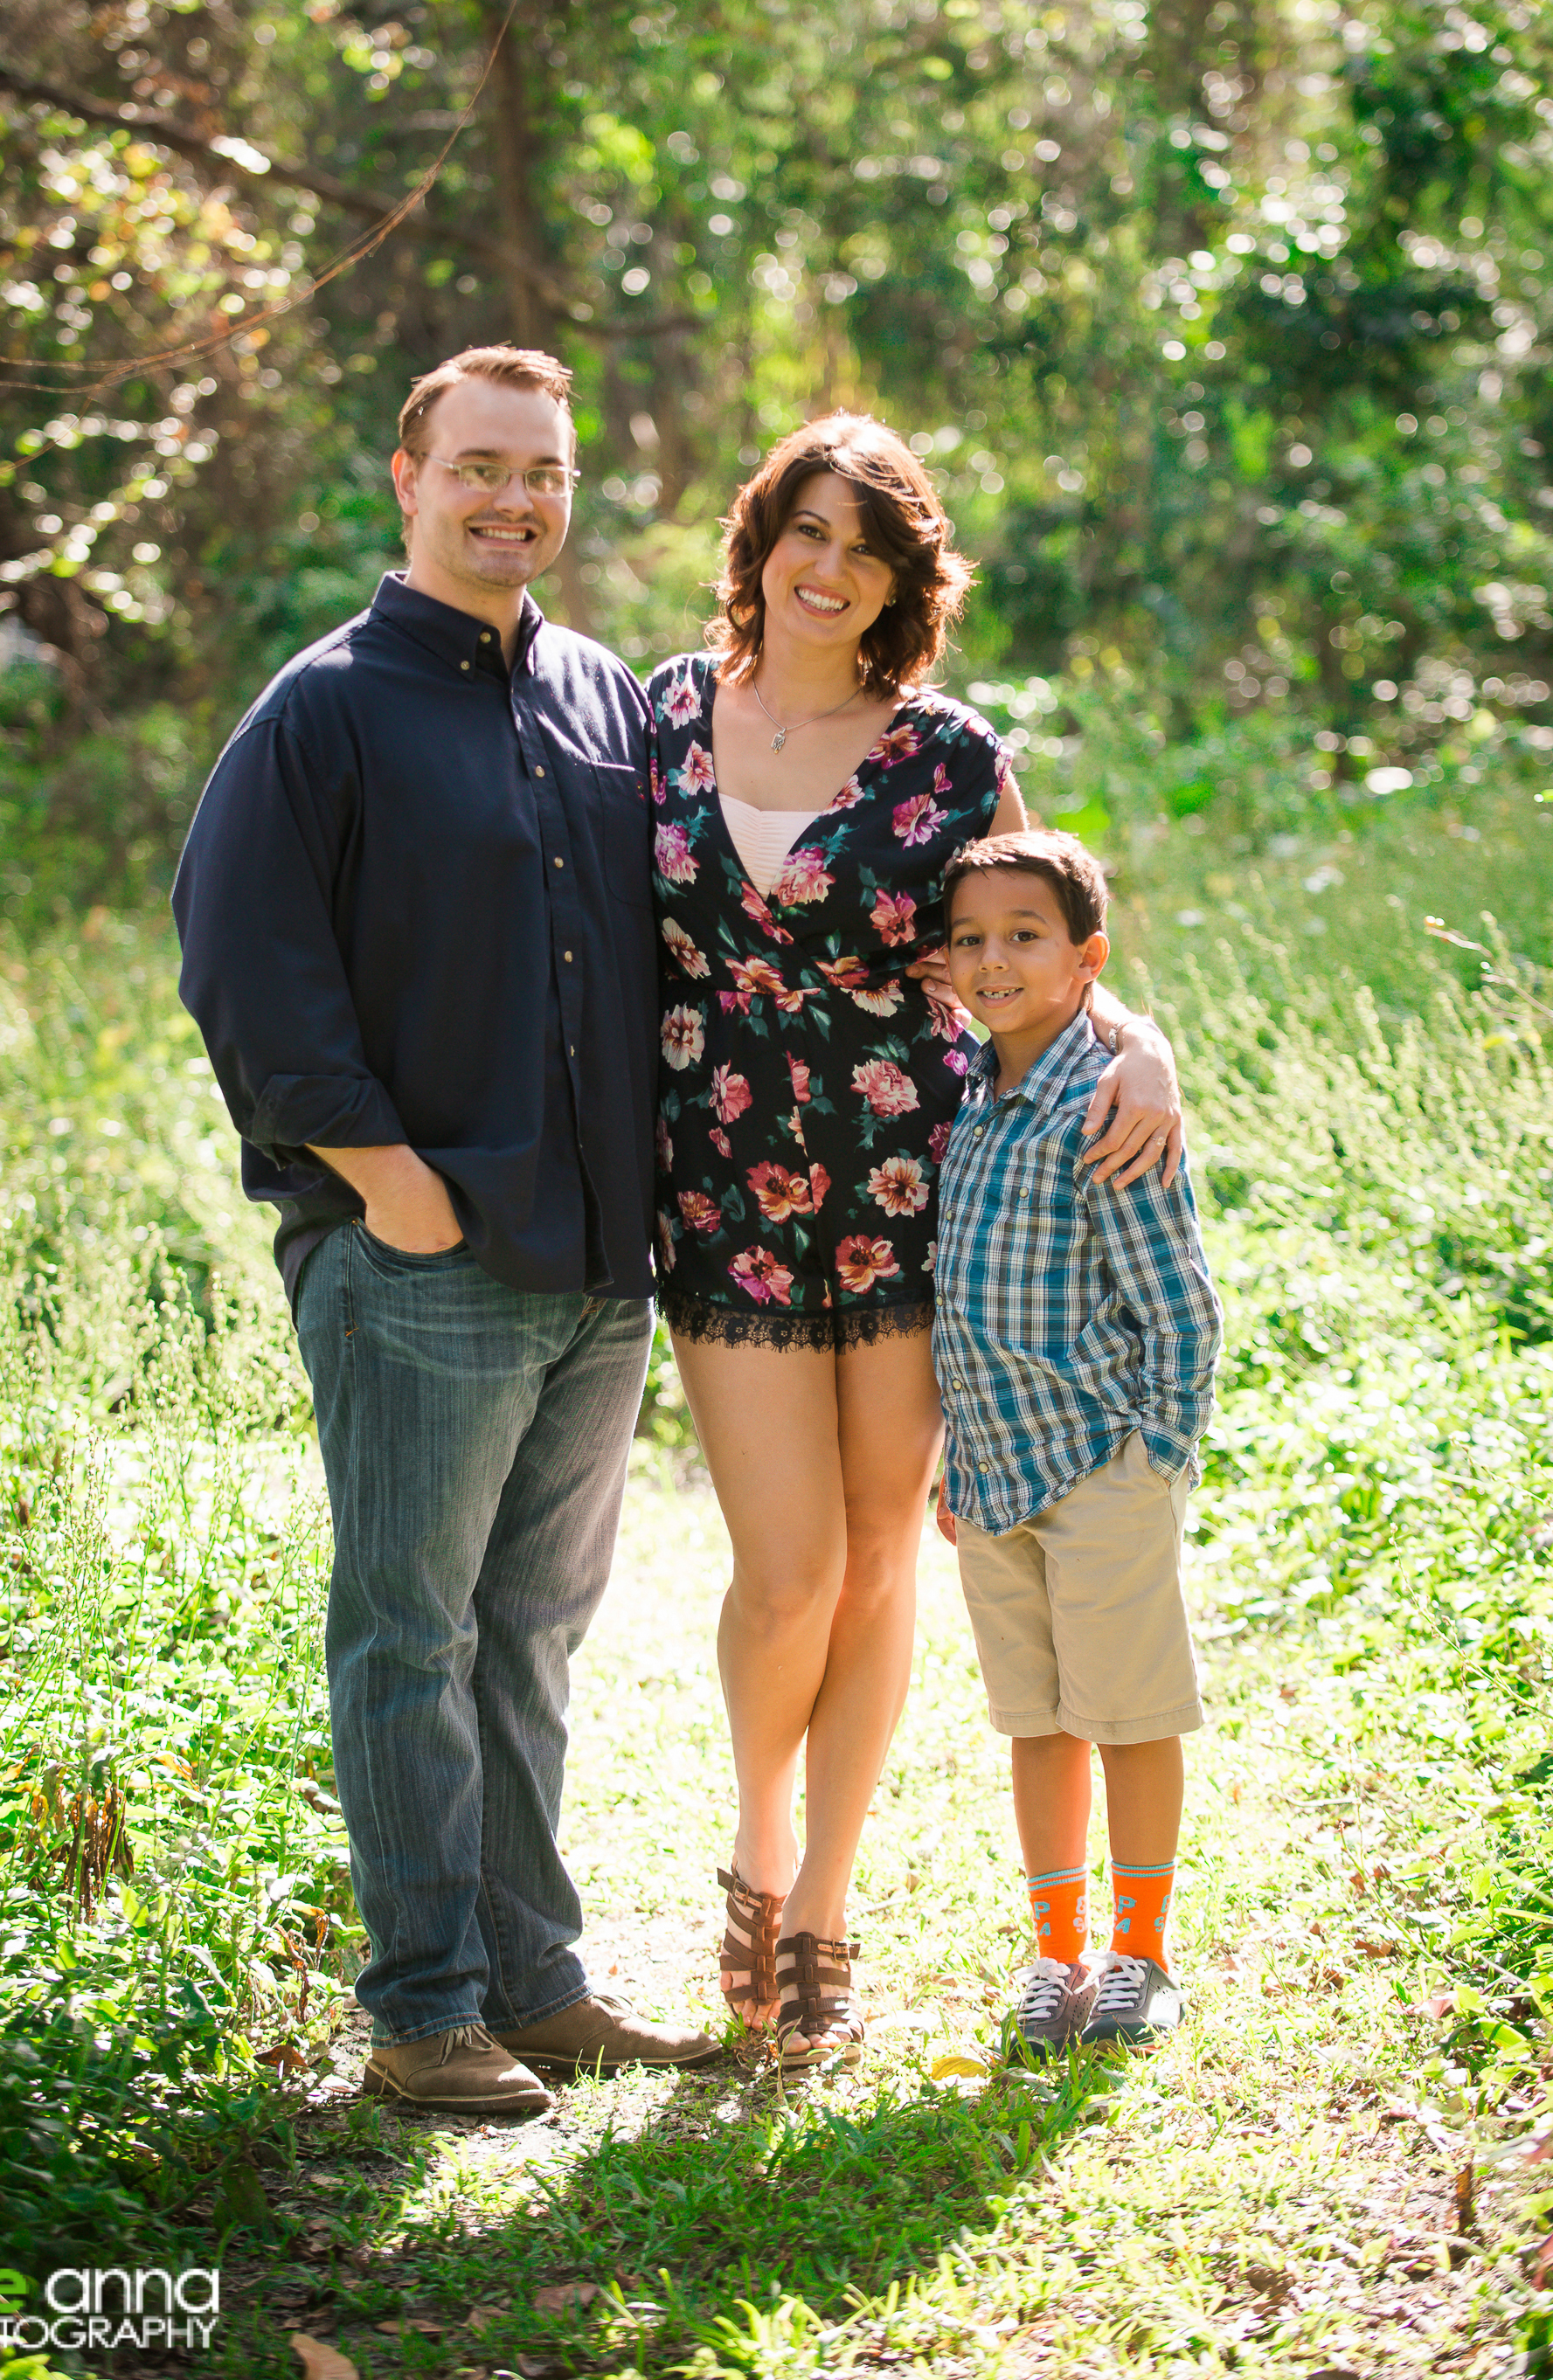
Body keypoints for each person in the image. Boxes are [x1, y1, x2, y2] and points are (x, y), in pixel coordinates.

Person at [174, 343, 719, 2118]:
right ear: (404, 478)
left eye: (544, 473)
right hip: (419, 1257)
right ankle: (421, 2011)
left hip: (592, 1265)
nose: (514, 499)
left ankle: (533, 1981)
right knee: (409, 1636)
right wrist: (392, 1186)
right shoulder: (322, 707)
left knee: (533, 1635)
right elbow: (248, 968)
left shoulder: (603, 700)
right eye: (479, 466)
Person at [647, 416, 1182, 2065]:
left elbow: (1038, 931)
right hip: (722, 1172)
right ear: (762, 542)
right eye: (806, 533)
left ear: (902, 584)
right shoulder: (663, 710)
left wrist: (1147, 1042)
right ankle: (753, 1842)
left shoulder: (945, 751)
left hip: (903, 1174)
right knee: (786, 1562)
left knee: (883, 1557)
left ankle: (824, 1901)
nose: (828, 569)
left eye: (866, 551)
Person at [926, 828, 1219, 2055]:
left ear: (1087, 957)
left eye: (1025, 937)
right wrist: (957, 1451)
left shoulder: (1110, 1104)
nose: (995, 960)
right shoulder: (972, 1099)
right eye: (973, 939)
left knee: (1129, 1710)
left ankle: (1140, 1950)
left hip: (1099, 1459)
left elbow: (1181, 1301)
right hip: (994, 1474)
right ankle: (1055, 1957)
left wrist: (1155, 1448)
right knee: (1035, 1718)